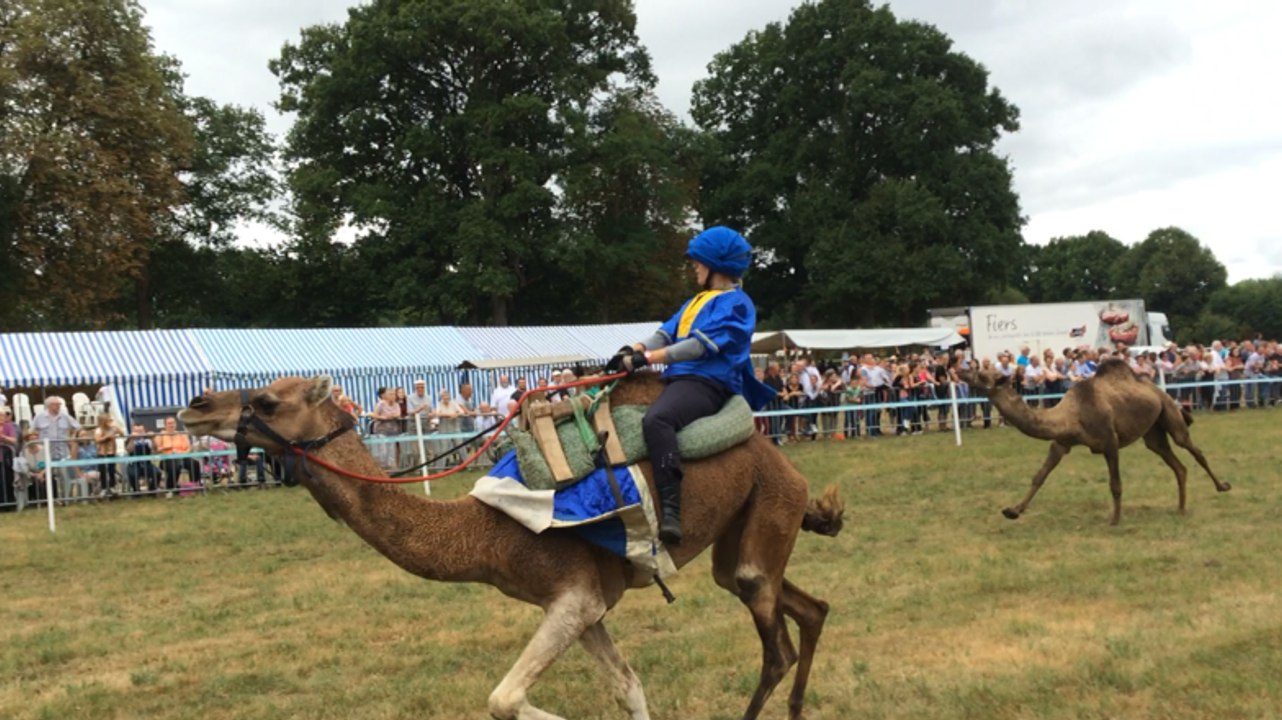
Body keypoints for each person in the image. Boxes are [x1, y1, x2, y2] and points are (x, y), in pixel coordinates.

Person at [605, 226, 774, 546]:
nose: (693, 266)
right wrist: (634, 349)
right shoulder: (697, 301)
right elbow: (666, 334)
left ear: (716, 266)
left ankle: (671, 510)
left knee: (658, 420)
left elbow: (698, 347)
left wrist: (650, 358)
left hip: (707, 382)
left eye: (698, 261)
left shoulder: (737, 304)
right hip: (677, 377)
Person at [31, 396, 80, 501]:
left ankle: (66, 498)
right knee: (48, 475)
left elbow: (78, 427)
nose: (59, 406)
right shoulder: (39, 417)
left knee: (64, 476)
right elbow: (32, 431)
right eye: (56, 404)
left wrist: (72, 438)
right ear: (49, 405)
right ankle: (51, 498)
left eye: (59, 404)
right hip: (46, 452)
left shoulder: (65, 416)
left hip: (62, 451)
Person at [156, 416, 201, 495]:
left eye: (173, 423)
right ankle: (170, 489)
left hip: (182, 456)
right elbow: (157, 449)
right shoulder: (161, 435)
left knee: (195, 463)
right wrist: (167, 447)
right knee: (175, 466)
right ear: (165, 425)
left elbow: (188, 448)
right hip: (167, 459)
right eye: (169, 423)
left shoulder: (182, 434)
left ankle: (193, 486)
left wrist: (181, 453)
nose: (171, 425)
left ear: (176, 424)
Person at [125, 424, 160, 493]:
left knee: (157, 473)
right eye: (136, 431)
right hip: (133, 464)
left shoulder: (148, 440)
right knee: (132, 474)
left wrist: (153, 438)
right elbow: (129, 450)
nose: (138, 433)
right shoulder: (128, 440)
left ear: (144, 431)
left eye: (140, 431)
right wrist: (132, 439)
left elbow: (155, 449)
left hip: (147, 464)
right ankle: (137, 491)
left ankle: (152, 490)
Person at [94, 413, 122, 496]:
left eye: (111, 420)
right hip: (102, 453)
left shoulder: (112, 428)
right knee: (103, 471)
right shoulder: (99, 430)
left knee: (112, 470)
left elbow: (122, 433)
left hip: (111, 452)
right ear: (104, 421)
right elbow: (97, 440)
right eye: (109, 420)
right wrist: (107, 437)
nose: (111, 422)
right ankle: (103, 488)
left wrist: (117, 428)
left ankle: (112, 487)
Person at [1, 409, 18, 510]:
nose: (1, 418)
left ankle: (10, 504)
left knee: (8, 480)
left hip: (7, 458)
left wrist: (3, 437)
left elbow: (14, 440)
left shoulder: (9, 427)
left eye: (2, 416)